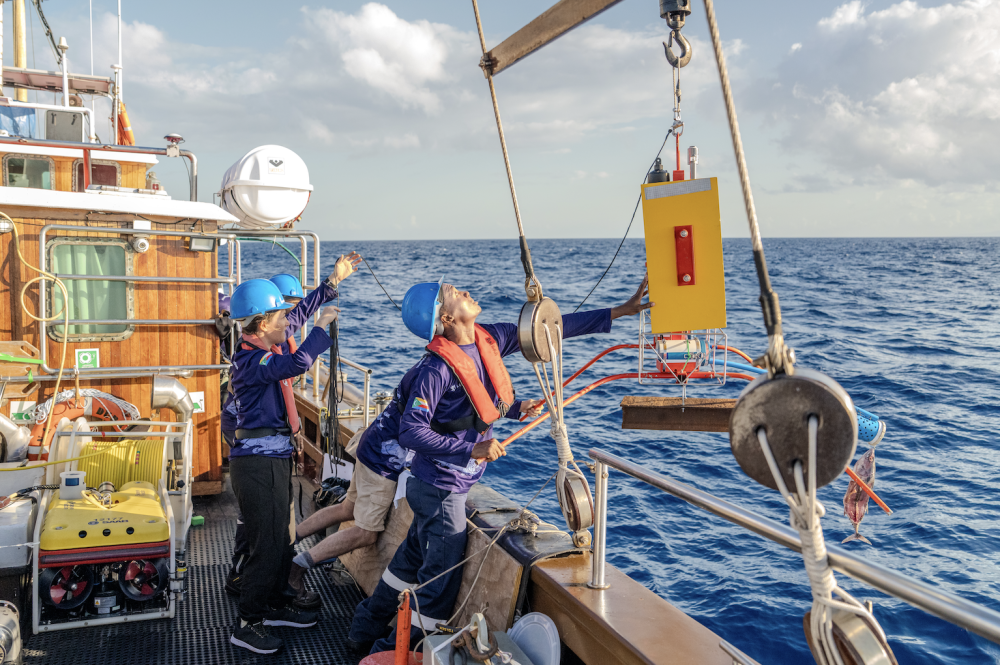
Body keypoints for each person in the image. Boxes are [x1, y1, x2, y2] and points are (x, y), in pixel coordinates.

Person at [347, 276, 653, 654]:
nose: (464, 290)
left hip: (435, 489)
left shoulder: (487, 338)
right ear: (445, 317)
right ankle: (388, 654)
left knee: (406, 566)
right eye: (455, 294)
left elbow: (550, 331)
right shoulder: (436, 371)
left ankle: (361, 633)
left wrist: (618, 312)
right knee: (438, 588)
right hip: (442, 491)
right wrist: (471, 452)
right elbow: (411, 432)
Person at [227, 253, 360, 655]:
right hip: (257, 464)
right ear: (263, 324)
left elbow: (299, 315)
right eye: (280, 318)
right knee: (267, 544)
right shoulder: (251, 360)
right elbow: (298, 362)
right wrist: (321, 331)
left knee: (281, 537)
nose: (290, 323)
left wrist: (331, 284)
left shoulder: (264, 339)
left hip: (273, 459)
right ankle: (248, 621)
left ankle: (271, 603)